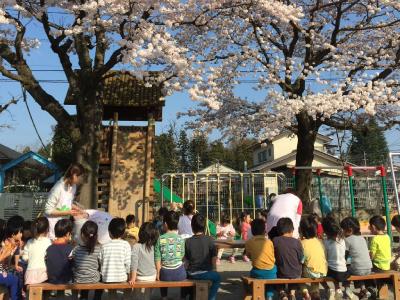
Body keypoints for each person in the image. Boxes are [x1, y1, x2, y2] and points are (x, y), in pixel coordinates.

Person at [184, 214, 221, 300]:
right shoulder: (211, 240)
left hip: (192, 274)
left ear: (192, 227)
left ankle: (188, 295)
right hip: (206, 273)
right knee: (217, 277)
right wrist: (214, 270)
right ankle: (211, 298)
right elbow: (214, 258)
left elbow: (186, 260)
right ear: (205, 226)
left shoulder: (187, 241)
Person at [155, 210, 186, 300]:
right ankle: (183, 297)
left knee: (162, 269)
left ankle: (164, 296)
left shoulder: (160, 238)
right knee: (185, 271)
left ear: (165, 224)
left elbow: (157, 257)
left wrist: (158, 273)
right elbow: (182, 255)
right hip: (180, 273)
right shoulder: (180, 239)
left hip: (165, 274)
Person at [340, 217, 372, 299]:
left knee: (345, 269)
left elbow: (344, 256)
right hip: (368, 268)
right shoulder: (362, 238)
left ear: (350, 230)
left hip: (358, 269)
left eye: (343, 229)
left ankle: (347, 288)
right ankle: (364, 289)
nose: (342, 232)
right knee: (356, 268)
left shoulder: (348, 240)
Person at [245, 218, 276, 300]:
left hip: (257, 272)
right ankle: (269, 295)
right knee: (273, 269)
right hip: (271, 272)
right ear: (264, 230)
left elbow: (248, 256)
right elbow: (273, 255)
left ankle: (257, 293)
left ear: (252, 230)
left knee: (253, 271)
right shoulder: (269, 242)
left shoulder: (249, 242)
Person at [273, 217, 303, 299]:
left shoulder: (275, 240)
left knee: (277, 271)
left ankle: (282, 292)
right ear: (292, 230)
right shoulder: (297, 242)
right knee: (294, 272)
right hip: (296, 273)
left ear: (278, 230)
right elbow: (301, 258)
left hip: (281, 273)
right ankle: (292, 293)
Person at [72, 220, 102, 300]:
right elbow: (100, 263)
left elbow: (74, 263)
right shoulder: (99, 249)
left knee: (83, 272)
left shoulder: (77, 249)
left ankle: (84, 297)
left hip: (79, 279)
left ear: (82, 234)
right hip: (93, 278)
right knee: (101, 275)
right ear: (96, 236)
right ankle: (97, 298)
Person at [299, 215, 327, 299]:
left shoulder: (302, 243)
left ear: (302, 230)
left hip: (310, 271)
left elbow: (302, 259)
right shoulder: (320, 241)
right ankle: (315, 292)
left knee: (298, 275)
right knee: (315, 274)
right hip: (323, 271)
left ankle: (305, 292)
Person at [129, 222, 159, 300]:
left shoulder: (136, 246)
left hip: (139, 277)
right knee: (147, 294)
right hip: (152, 276)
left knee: (137, 294)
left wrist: (133, 278)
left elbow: (134, 263)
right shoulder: (155, 246)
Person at [322, 216, 348, 300]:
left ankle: (328, 288)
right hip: (343, 271)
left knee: (319, 271)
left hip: (332, 271)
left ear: (325, 231)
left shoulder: (326, 242)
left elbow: (325, 257)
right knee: (335, 267)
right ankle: (338, 289)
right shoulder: (342, 240)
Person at [99, 218, 131, 284]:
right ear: (123, 232)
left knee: (111, 293)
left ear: (109, 232)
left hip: (107, 278)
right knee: (128, 289)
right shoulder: (126, 244)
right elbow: (128, 263)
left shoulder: (104, 245)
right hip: (122, 277)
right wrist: (129, 275)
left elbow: (100, 261)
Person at [23, 217, 52, 285]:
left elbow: (25, 257)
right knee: (44, 294)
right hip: (43, 274)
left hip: (30, 274)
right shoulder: (48, 241)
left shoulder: (29, 242)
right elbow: (48, 257)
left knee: (31, 294)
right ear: (47, 229)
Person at [45, 218, 74, 284]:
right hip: (65, 280)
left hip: (51, 279)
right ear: (68, 234)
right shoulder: (70, 248)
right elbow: (73, 264)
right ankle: (74, 295)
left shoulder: (49, 248)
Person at [0, 219, 23, 300]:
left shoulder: (14, 244)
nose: (21, 234)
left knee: (3, 291)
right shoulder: (5, 243)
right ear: (13, 234)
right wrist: (7, 252)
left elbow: (16, 253)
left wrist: (15, 265)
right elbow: (2, 259)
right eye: (20, 232)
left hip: (3, 271)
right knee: (14, 280)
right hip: (2, 272)